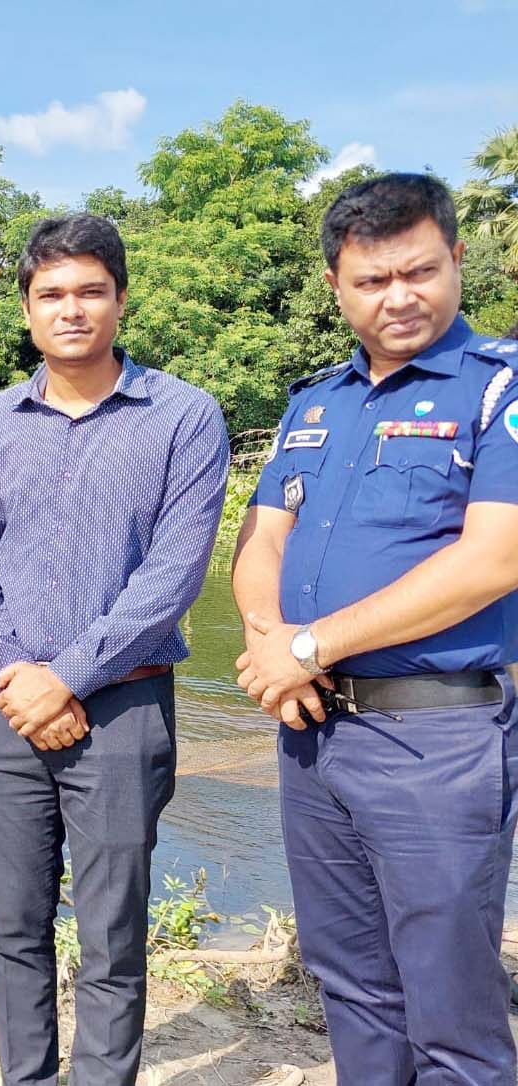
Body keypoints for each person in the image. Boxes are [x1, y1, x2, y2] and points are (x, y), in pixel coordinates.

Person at [232, 173, 518, 1085]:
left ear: (456, 260)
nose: (399, 297)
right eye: (372, 280)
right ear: (336, 287)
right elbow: (260, 538)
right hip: (314, 732)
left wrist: (311, 646)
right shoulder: (316, 402)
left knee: (451, 1008)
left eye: (419, 271)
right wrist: (272, 642)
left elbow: (492, 561)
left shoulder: (498, 389)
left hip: (435, 738)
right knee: (351, 983)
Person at [0, 214, 229, 1086]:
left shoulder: (184, 417)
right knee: (16, 928)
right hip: (3, 704)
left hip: (125, 708)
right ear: (27, 311)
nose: (72, 310)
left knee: (112, 934)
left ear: (120, 299)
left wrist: (65, 678)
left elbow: (173, 576)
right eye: (52, 294)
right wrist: (19, 675)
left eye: (90, 291)